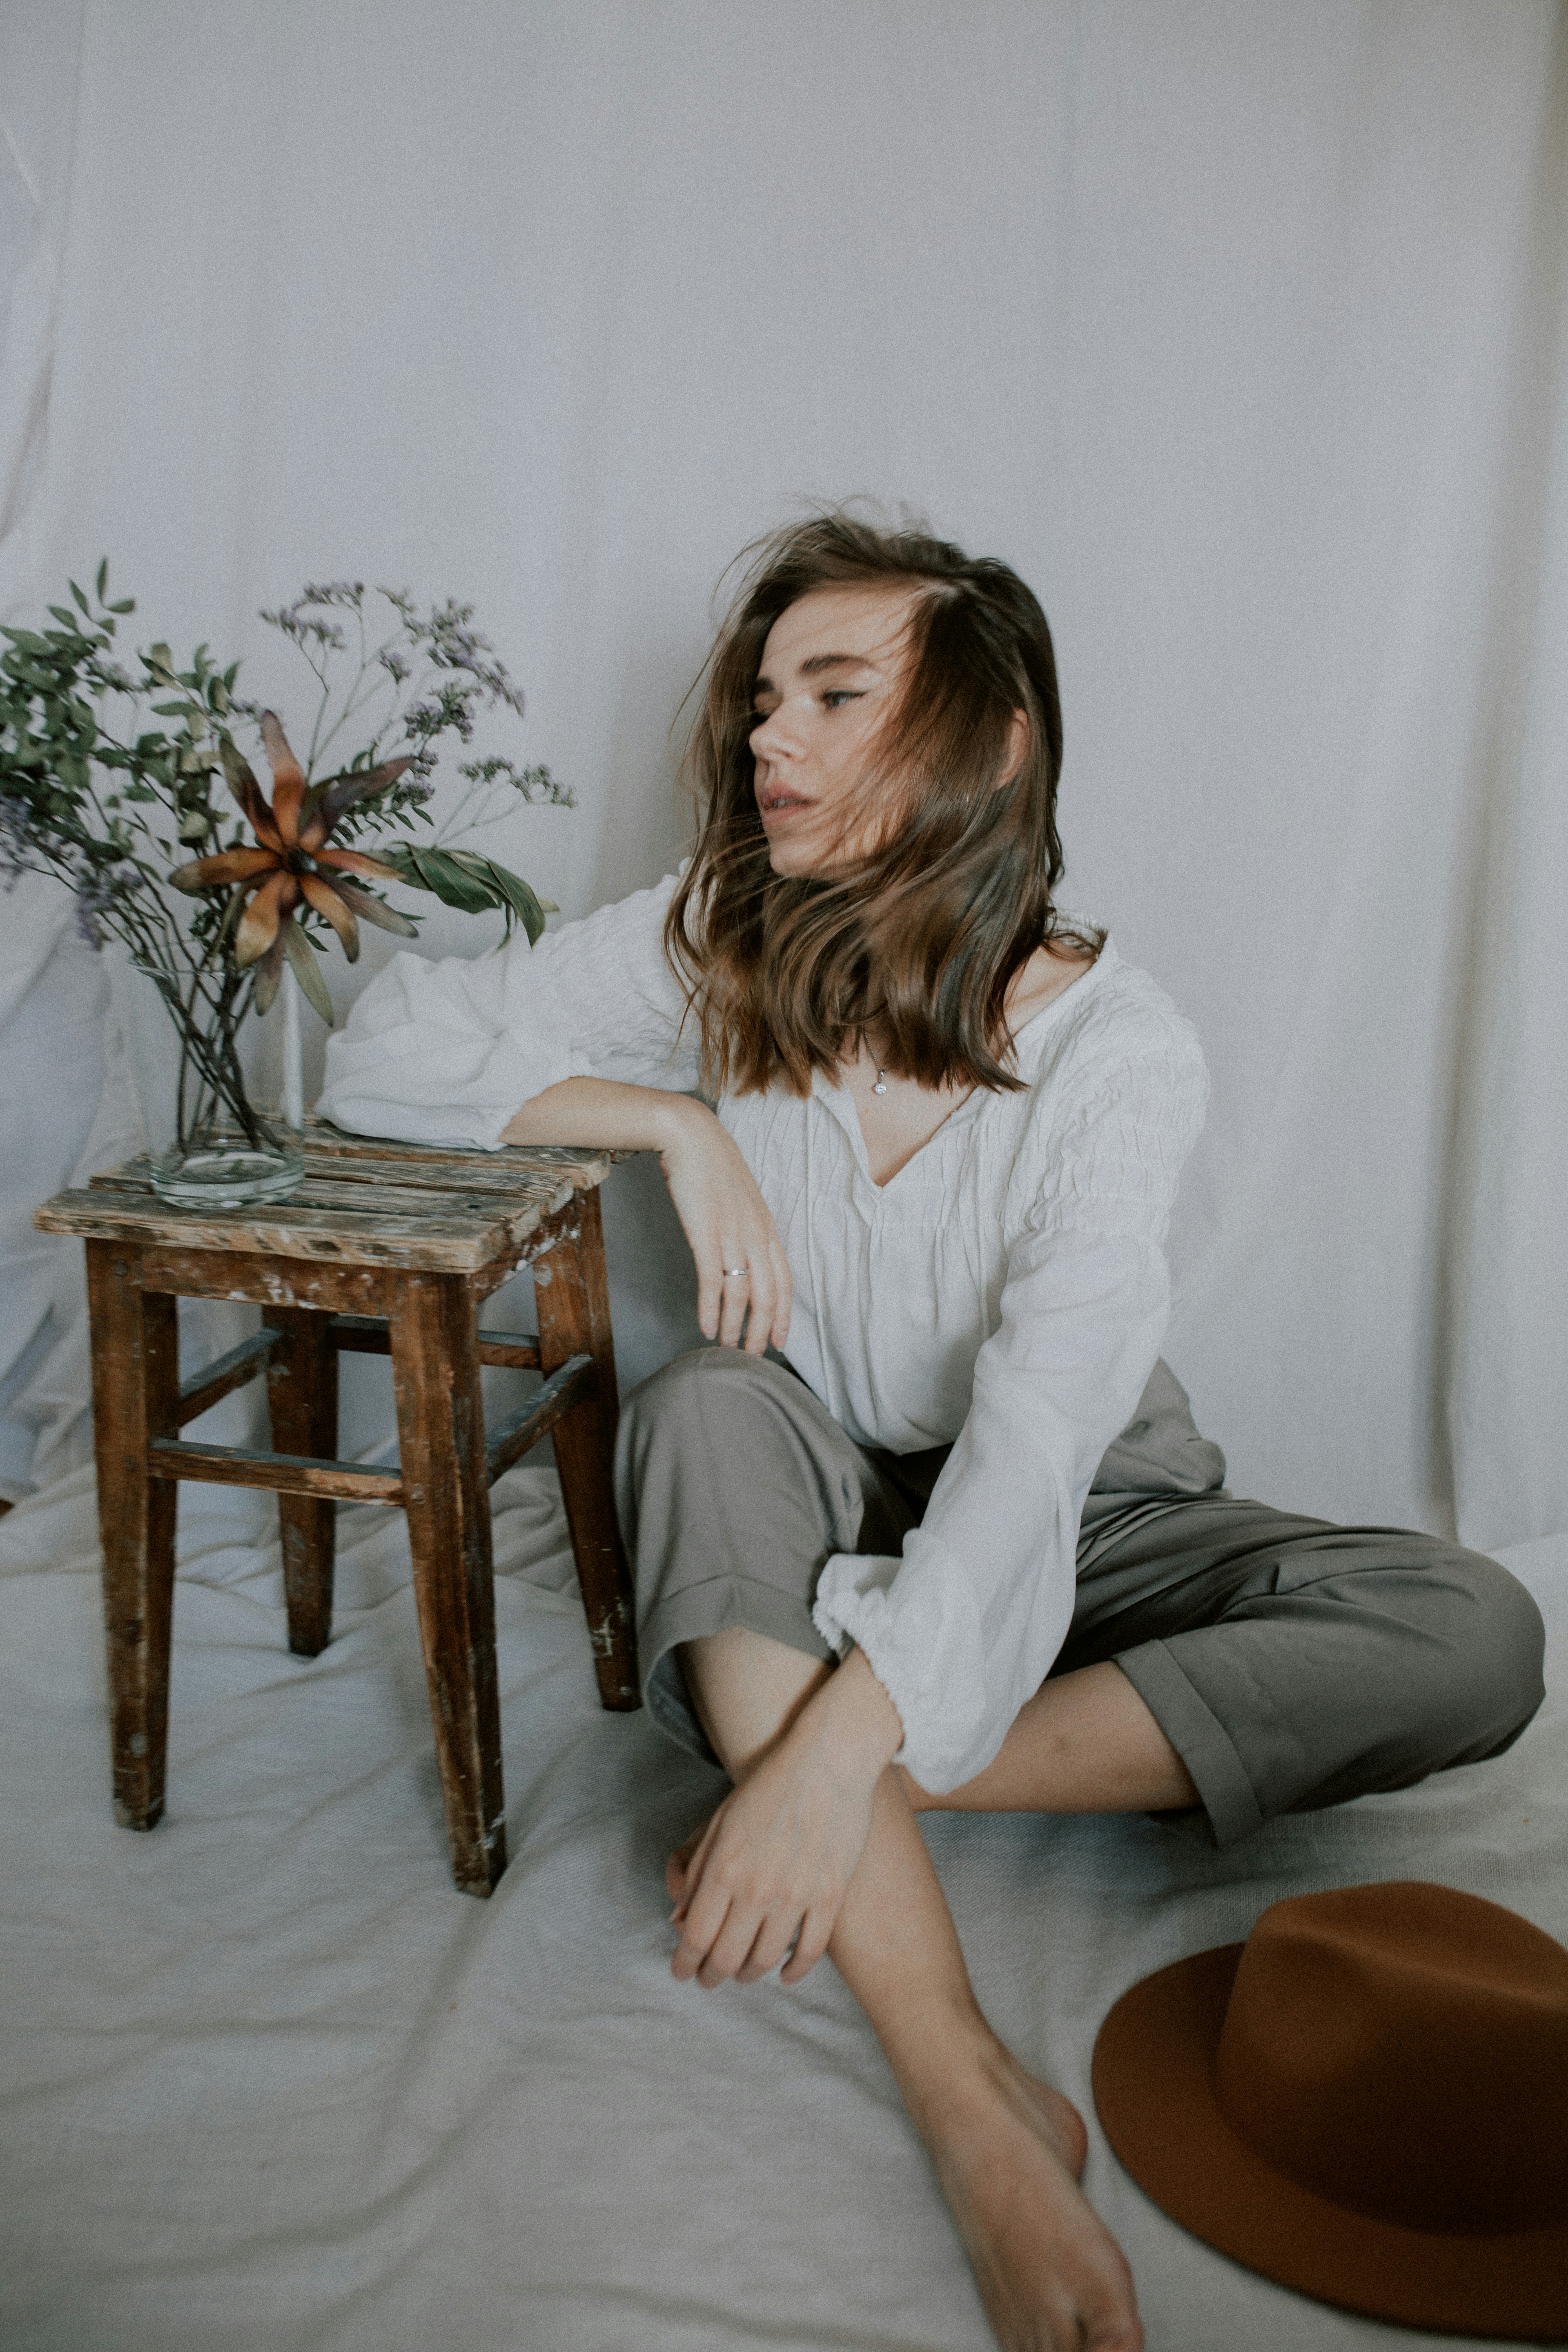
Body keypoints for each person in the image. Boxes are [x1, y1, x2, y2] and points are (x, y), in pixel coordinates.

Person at [316, 512, 1546, 2352]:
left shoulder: (1125, 1053)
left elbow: (1042, 1442)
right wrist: (674, 1130)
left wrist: (830, 1752)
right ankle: (973, 2095)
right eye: (760, 701)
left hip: (1087, 1495)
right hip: (807, 1466)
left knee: (1480, 1629)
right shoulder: (715, 936)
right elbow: (378, 1061)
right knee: (702, 1408)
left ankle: (828, 1764)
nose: (764, 741)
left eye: (831, 694)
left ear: (993, 744)